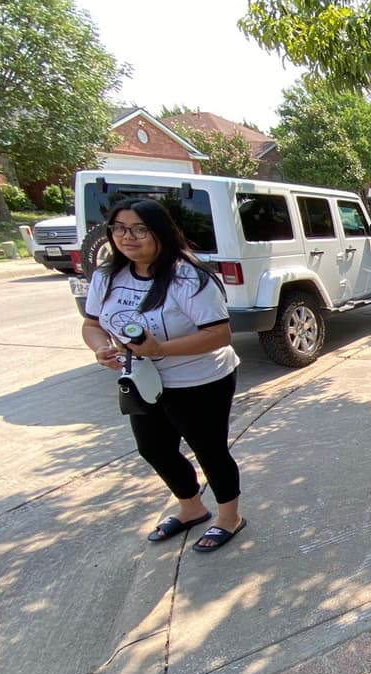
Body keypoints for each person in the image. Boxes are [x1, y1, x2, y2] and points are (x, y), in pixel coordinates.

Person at [80, 199, 247, 553]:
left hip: (200, 379)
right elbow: (92, 324)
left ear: (161, 233)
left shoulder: (189, 277)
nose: (128, 237)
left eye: (140, 229)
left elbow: (218, 335)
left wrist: (160, 350)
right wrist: (100, 348)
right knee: (153, 448)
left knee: (209, 450)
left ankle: (229, 517)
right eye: (120, 228)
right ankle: (191, 508)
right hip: (142, 379)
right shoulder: (107, 277)